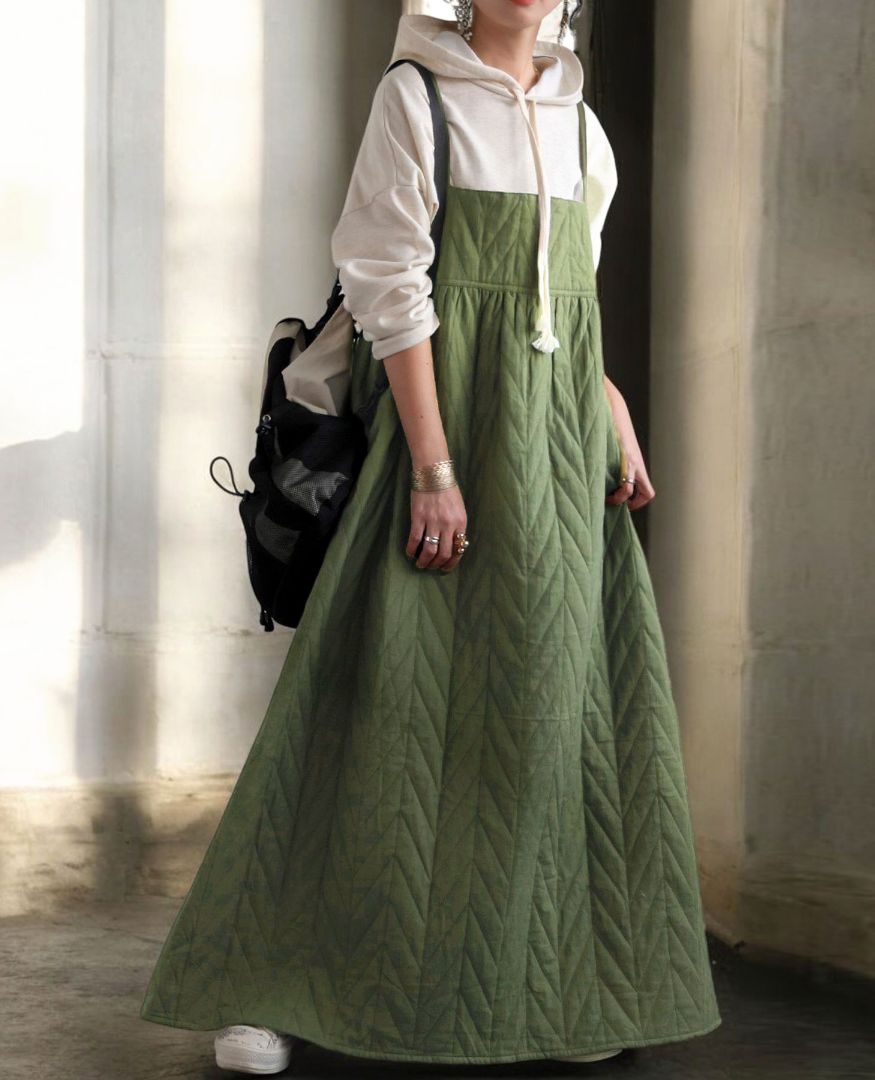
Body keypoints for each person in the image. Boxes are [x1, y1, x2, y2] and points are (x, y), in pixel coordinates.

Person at [139, 2, 722, 1073]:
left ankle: (560, 991)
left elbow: (568, 299)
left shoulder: (580, 121)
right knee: (376, 698)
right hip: (439, 430)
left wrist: (610, 410)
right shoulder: (415, 97)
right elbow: (388, 288)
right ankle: (269, 986)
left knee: (550, 705)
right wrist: (434, 470)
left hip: (552, 446)